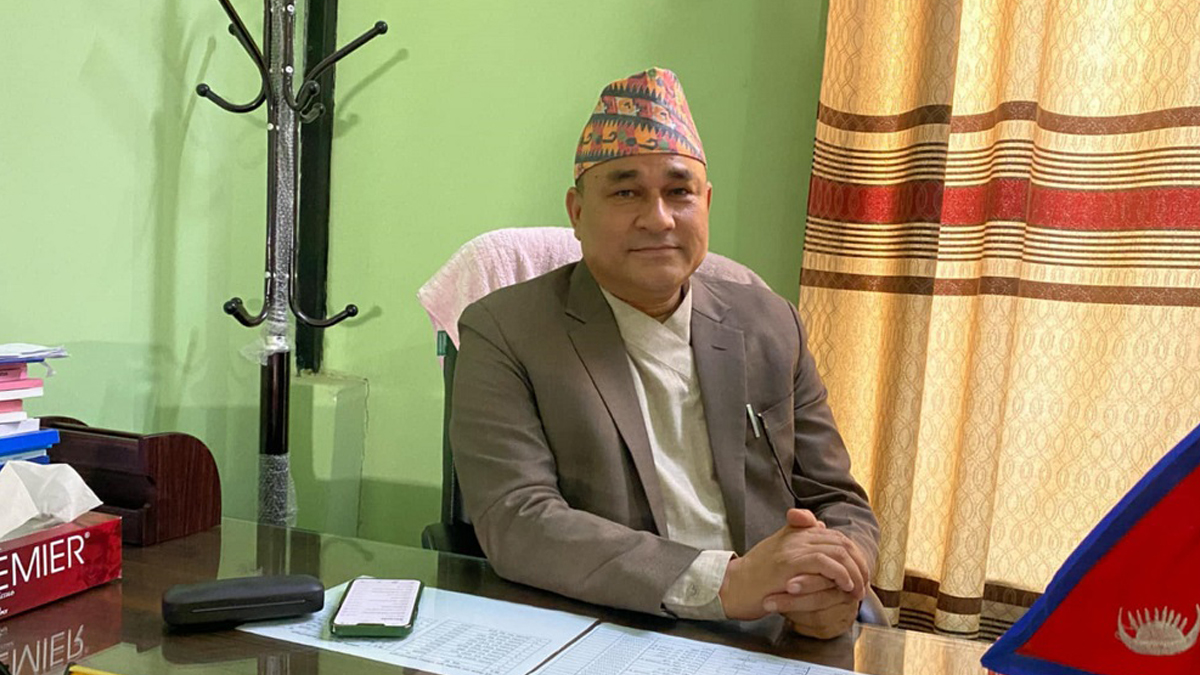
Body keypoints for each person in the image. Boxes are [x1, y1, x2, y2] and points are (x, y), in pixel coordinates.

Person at [450, 67, 878, 639]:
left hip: (775, 624)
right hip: (614, 624)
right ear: (577, 212)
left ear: (707, 203)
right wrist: (725, 582)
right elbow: (519, 520)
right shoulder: (506, 330)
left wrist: (835, 579)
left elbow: (836, 498)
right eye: (625, 192)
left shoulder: (770, 323)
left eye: (679, 192)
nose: (658, 218)